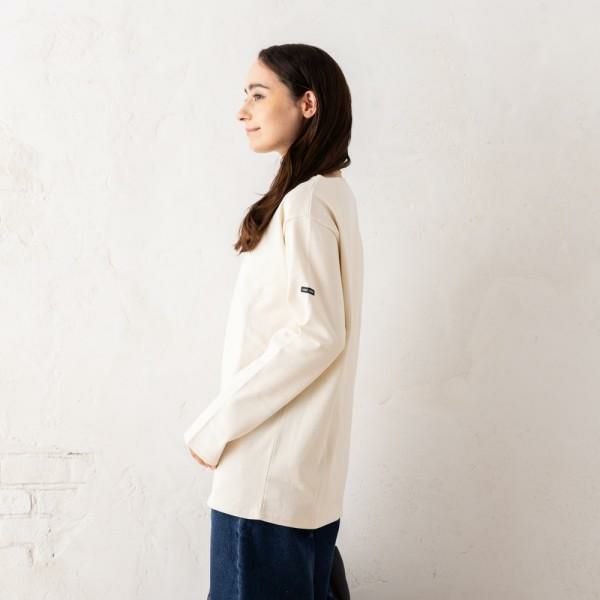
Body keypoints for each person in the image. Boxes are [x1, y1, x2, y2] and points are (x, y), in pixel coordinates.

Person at [184, 43, 362, 600]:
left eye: (258, 95)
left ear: (308, 103)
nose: (243, 111)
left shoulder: (307, 205)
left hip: (266, 484)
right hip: (298, 481)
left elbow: (316, 334)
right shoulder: (329, 196)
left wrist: (216, 427)